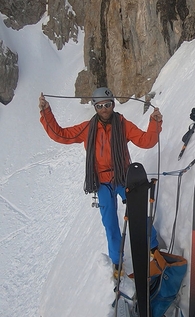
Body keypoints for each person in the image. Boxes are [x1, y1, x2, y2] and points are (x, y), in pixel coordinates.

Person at [39, 87, 163, 278]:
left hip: (122, 177)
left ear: (113, 104)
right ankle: (117, 261)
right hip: (102, 182)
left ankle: (153, 247)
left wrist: (154, 123)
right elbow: (61, 135)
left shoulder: (123, 125)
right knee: (110, 224)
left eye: (107, 105)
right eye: (100, 106)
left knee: (138, 211)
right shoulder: (87, 129)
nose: (104, 109)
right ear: (95, 107)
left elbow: (146, 141)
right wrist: (46, 111)